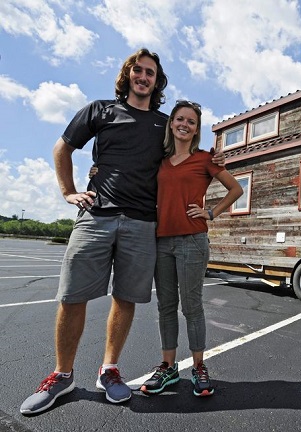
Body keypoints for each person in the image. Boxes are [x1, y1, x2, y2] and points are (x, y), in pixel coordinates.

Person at [20, 48, 224, 415]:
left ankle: (109, 370)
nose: (144, 77)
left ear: (157, 81)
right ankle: (61, 376)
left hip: (143, 222)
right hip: (96, 216)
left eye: (151, 73)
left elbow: (184, 145)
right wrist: (68, 191)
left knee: (126, 298)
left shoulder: (163, 124)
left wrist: (213, 159)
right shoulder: (99, 110)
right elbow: (61, 148)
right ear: (128, 75)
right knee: (71, 295)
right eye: (138, 71)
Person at [137, 100, 242, 397]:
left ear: (196, 129)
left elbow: (236, 189)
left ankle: (198, 367)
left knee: (191, 306)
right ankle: (168, 368)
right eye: (180, 119)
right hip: (162, 241)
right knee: (166, 307)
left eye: (191, 122)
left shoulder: (206, 159)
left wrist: (211, 212)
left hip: (192, 241)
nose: (185, 124)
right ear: (172, 123)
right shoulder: (160, 161)